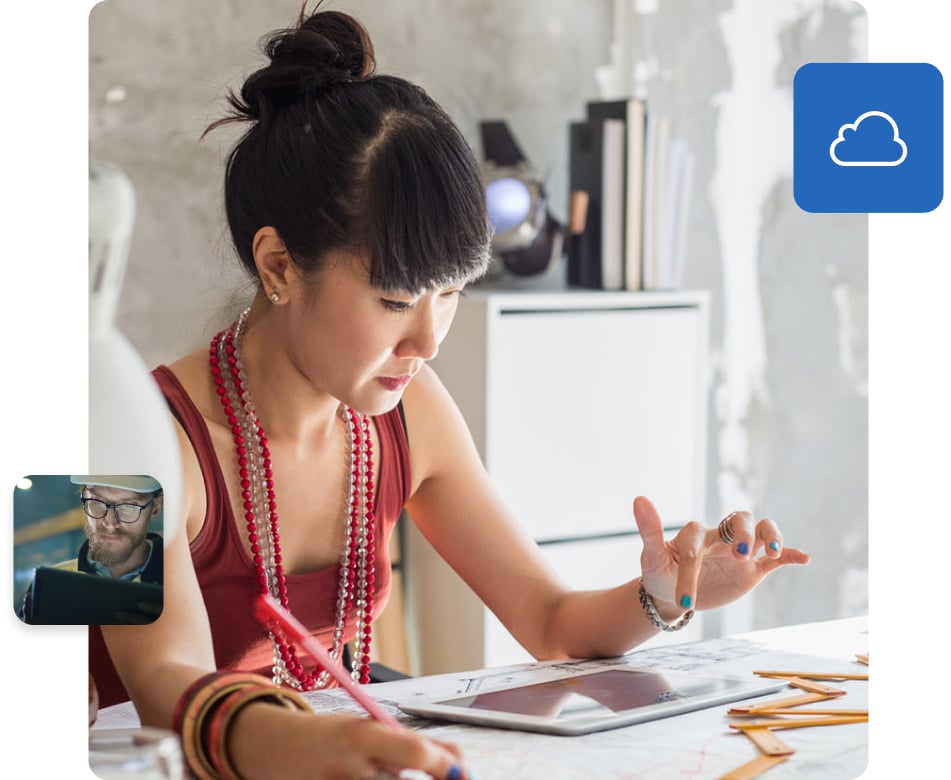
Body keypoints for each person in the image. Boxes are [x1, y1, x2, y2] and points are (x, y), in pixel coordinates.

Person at [95, 5, 810, 780]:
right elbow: (167, 687)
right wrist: (299, 742)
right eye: (397, 300)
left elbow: (547, 620)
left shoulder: (410, 410)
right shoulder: (114, 439)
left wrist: (663, 594)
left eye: (452, 293)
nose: (428, 342)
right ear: (277, 266)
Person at [19, 475, 164, 623]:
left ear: (156, 508)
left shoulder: (181, 584)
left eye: (128, 507)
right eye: (97, 503)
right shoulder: (50, 585)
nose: (110, 522)